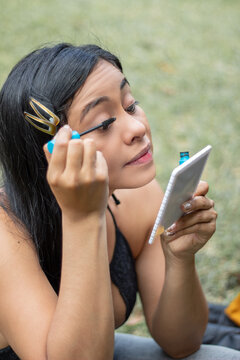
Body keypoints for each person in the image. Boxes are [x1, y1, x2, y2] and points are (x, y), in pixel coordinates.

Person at [0, 43, 239, 360]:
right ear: (50, 153)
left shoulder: (138, 197)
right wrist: (84, 219)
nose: (138, 127)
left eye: (130, 106)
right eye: (104, 123)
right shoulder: (6, 231)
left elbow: (182, 343)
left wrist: (180, 260)